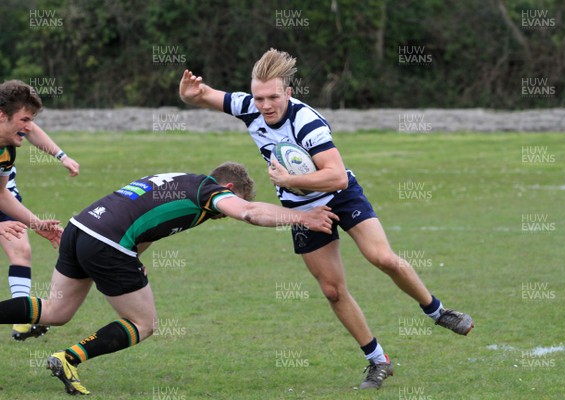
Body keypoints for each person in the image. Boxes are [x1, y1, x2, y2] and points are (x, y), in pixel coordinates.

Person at [179, 49, 474, 390]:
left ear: (288, 93)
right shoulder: (249, 107)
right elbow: (201, 94)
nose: (265, 105)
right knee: (333, 291)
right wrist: (189, 94)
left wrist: (289, 181)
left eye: (273, 97)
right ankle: (378, 361)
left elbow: (337, 178)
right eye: (259, 98)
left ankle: (437, 312)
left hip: (339, 197)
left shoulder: (307, 122)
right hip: (302, 211)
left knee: (381, 258)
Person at [0, 162, 338, 395]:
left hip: (82, 228)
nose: (226, 215)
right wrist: (302, 217)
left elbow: (147, 219)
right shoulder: (210, 192)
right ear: (229, 188)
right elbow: (250, 212)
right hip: (107, 242)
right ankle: (68, 358)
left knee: (56, 311)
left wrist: (134, 258)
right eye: (231, 201)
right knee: (144, 323)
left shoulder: (181, 180)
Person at [0, 81, 75, 340]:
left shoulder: (6, 150)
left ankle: (22, 317)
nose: (29, 128)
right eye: (24, 119)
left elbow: (2, 195)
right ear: (2, 115)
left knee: (21, 249)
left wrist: (37, 224)